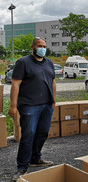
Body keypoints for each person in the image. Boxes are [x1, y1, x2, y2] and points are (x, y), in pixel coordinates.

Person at [8, 37, 56, 181]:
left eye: (44, 46)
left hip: (47, 104)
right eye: (39, 45)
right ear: (33, 47)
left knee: (43, 132)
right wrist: (13, 105)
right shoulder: (23, 62)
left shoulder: (49, 63)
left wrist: (54, 100)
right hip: (29, 105)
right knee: (28, 135)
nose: (42, 48)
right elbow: (15, 84)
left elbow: (53, 82)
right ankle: (22, 167)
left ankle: (35, 158)